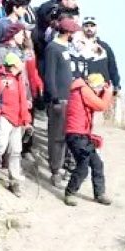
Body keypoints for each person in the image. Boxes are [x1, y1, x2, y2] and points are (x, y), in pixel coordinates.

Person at [63, 73, 114, 206]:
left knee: (97, 163)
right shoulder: (83, 90)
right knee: (83, 166)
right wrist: (108, 93)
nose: (99, 90)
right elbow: (101, 106)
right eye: (99, 88)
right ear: (94, 86)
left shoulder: (82, 89)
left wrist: (104, 92)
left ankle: (100, 194)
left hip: (82, 134)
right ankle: (70, 193)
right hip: (76, 135)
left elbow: (97, 104)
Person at [44, 16, 82, 185]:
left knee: (68, 136)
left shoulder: (66, 48)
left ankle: (66, 166)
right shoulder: (53, 48)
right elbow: (49, 75)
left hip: (70, 99)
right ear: (67, 32)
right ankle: (55, 170)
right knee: (57, 137)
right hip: (59, 100)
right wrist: (54, 97)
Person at [0, 53, 30, 196]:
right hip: (5, 117)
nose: (22, 66)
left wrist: (26, 119)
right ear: (13, 65)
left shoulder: (19, 78)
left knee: (16, 151)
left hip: (17, 120)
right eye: (19, 64)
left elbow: (23, 100)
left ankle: (14, 182)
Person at [78, 17, 120, 91]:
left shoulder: (105, 47)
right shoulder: (77, 46)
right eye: (86, 26)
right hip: (84, 88)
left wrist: (116, 85)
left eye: (92, 26)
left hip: (103, 88)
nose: (89, 28)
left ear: (96, 28)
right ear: (82, 28)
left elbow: (112, 67)